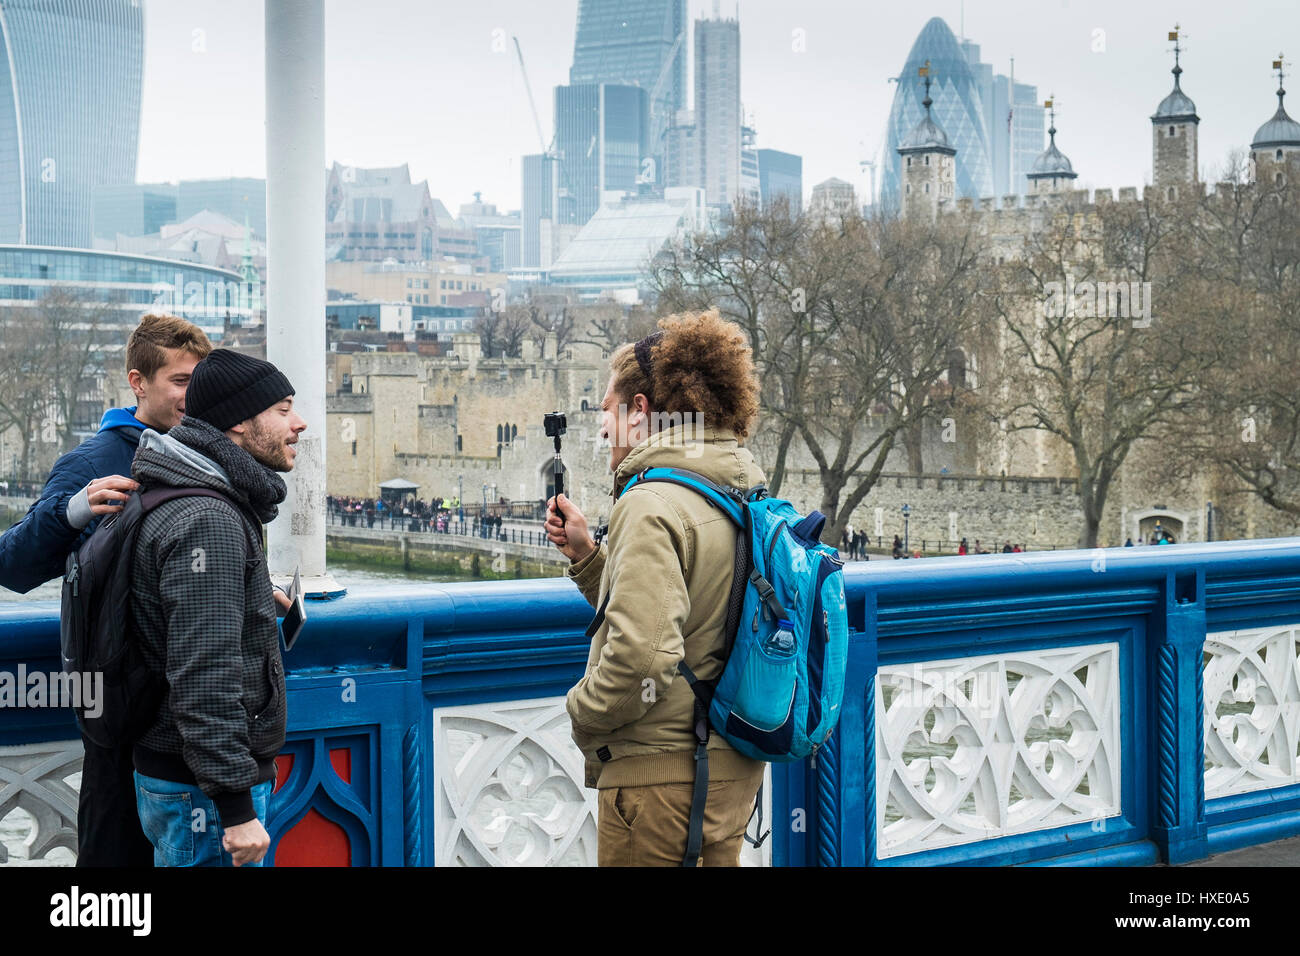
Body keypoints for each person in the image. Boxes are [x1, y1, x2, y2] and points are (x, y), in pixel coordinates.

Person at [543, 310, 766, 867]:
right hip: (731, 767)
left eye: (608, 412)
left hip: (658, 778)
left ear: (640, 411)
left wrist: (581, 712)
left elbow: (644, 657)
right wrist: (591, 559)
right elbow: (694, 613)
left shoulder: (649, 504)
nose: (601, 429)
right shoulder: (739, 488)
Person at [0, 313, 212, 867]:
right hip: (119, 717)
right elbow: (14, 566)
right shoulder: (95, 461)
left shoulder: (211, 458)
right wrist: (71, 511)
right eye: (181, 380)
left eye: (201, 380)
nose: (194, 394)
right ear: (137, 382)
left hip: (193, 717)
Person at [127, 349, 306, 867]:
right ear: (237, 423)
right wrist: (235, 807)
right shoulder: (210, 517)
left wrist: (247, 595)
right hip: (201, 792)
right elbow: (203, 674)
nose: (299, 423)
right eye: (281, 409)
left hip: (182, 777)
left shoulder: (179, 489)